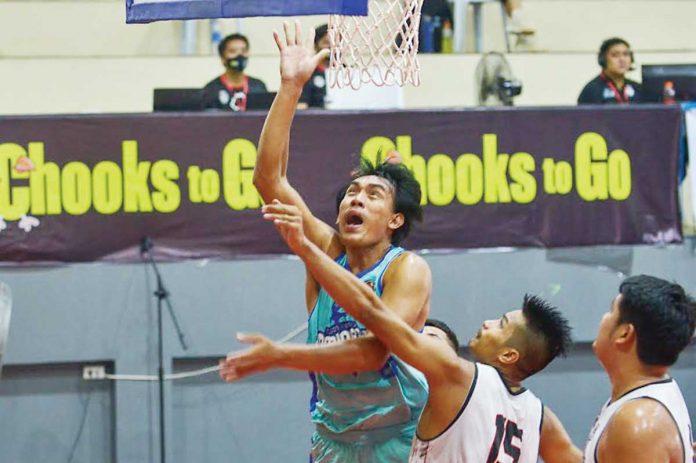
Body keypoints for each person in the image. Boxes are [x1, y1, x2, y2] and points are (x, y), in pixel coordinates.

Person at [220, 22, 432, 462]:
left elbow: (374, 352)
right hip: (333, 439)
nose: (357, 197)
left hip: (399, 437)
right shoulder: (328, 248)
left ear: (395, 219)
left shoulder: (405, 268)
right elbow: (268, 178)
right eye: (352, 193)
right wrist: (290, 88)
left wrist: (279, 354)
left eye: (373, 194)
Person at [234, 197, 583, 462]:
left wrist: (306, 250)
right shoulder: (540, 417)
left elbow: (373, 317)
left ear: (510, 354)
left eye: (501, 324)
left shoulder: (456, 374)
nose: (488, 322)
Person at [585, 275, 695, 463]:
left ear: (624, 333)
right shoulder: (646, 396)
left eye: (610, 311)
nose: (603, 318)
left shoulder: (637, 422)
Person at [201, 33, 267, 111]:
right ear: (223, 58)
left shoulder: (258, 87)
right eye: (233, 51)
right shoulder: (211, 89)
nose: (240, 55)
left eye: (244, 50)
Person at [578, 37, 643, 105]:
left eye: (625, 54)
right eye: (615, 55)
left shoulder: (638, 88)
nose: (622, 59)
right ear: (603, 59)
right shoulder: (592, 90)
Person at [299, 24, 329, 109]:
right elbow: (302, 105)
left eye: (336, 43)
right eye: (326, 43)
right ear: (316, 45)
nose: (331, 47)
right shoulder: (308, 71)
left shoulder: (347, 73)